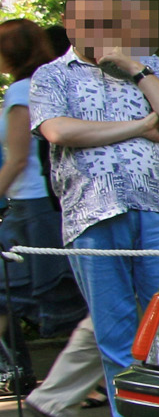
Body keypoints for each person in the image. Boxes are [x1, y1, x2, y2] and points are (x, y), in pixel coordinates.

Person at [30, 0, 159, 417]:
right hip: (92, 213)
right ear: (69, 22)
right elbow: (60, 131)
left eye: (108, 19)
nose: (99, 29)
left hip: (156, 209)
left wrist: (136, 70)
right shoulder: (50, 76)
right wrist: (141, 127)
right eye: (88, 20)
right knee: (116, 331)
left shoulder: (148, 67)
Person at [0, 19, 86, 337]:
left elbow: (18, 158)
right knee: (16, 292)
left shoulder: (22, 91)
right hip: (32, 204)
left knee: (52, 297)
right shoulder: (39, 84)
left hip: (33, 207)